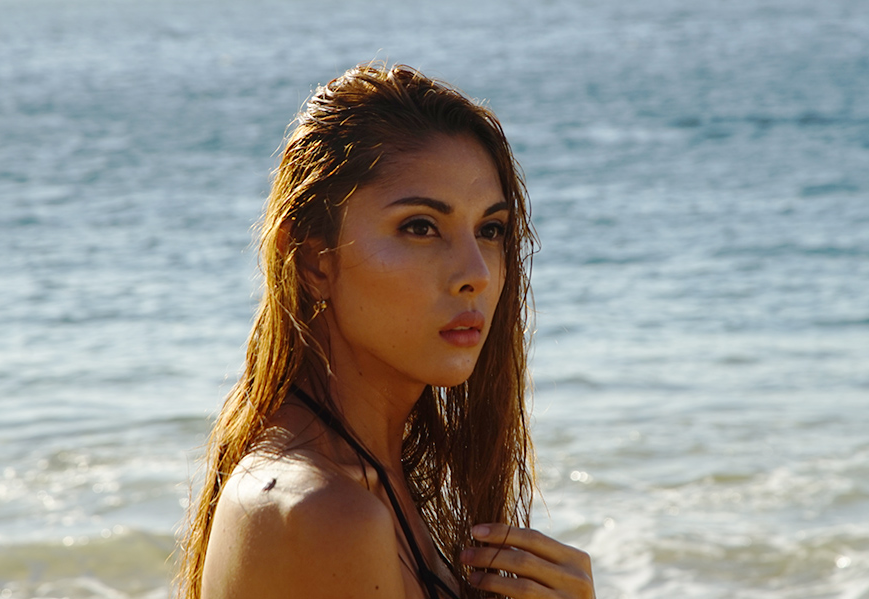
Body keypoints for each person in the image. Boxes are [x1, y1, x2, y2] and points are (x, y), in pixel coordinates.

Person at [176, 63, 595, 599]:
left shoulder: (375, 481)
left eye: (490, 230)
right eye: (420, 227)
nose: (477, 273)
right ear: (314, 259)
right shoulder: (326, 512)